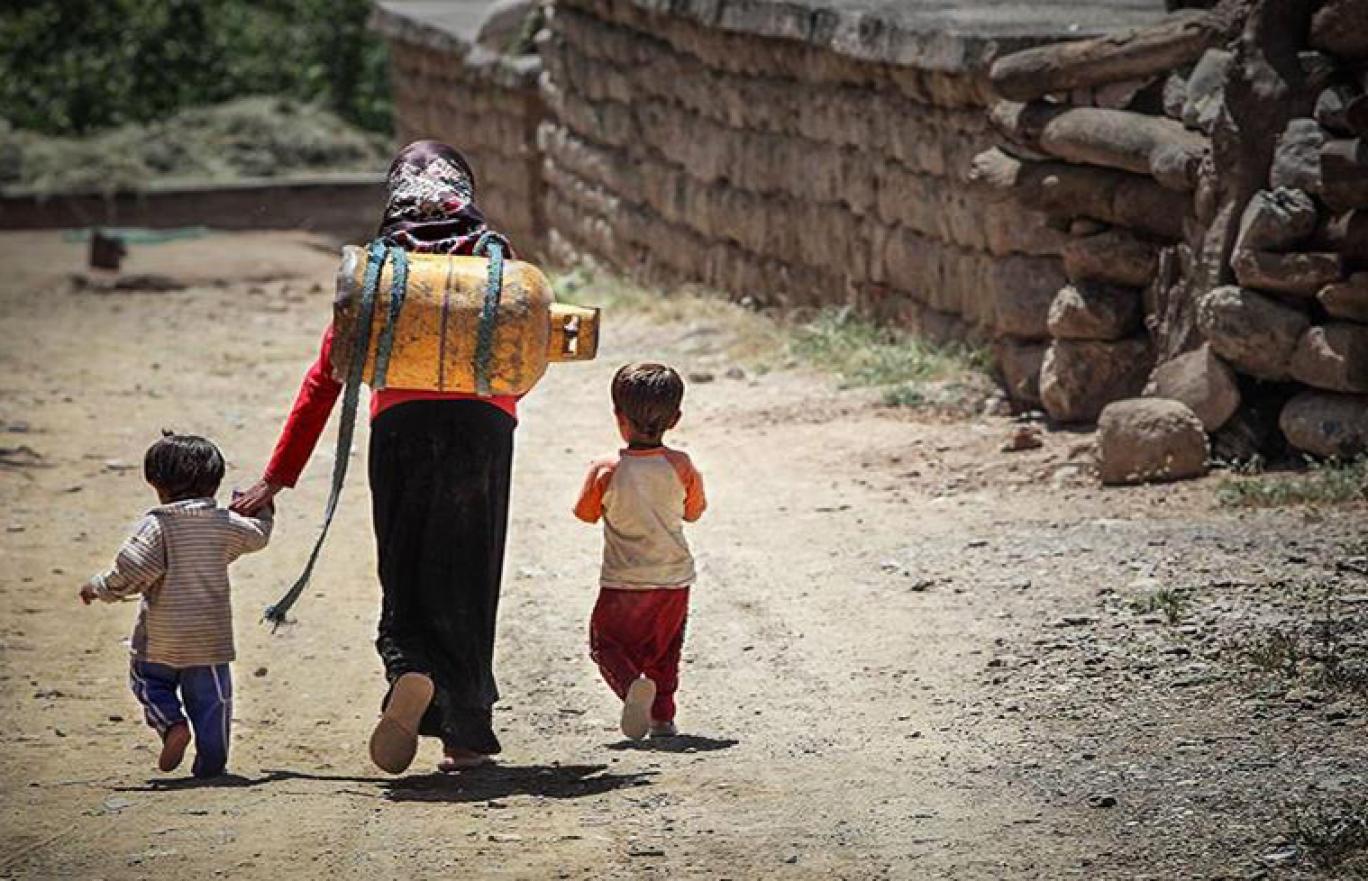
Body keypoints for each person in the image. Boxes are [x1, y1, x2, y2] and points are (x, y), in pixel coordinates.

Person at [231, 141, 521, 774]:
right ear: (462, 189)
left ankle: (410, 667)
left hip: (401, 430)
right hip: (483, 431)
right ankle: (467, 737)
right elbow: (523, 352)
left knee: (406, 564)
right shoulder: (493, 255)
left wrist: (277, 477)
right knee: (469, 575)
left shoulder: (382, 267)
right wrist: (496, 407)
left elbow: (325, 378)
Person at [80, 432, 273, 778]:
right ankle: (212, 762)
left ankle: (172, 724)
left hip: (161, 637)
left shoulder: (158, 526)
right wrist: (263, 509)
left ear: (156, 482)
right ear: (215, 482)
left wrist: (99, 587)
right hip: (209, 640)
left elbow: (132, 569)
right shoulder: (224, 523)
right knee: (214, 702)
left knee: (148, 682)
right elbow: (257, 535)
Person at [573, 363, 707, 740]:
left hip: (623, 581)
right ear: (675, 419)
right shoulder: (681, 465)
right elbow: (694, 512)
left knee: (607, 644)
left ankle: (632, 686)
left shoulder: (606, 469)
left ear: (618, 417)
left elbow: (585, 514)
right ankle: (662, 718)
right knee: (665, 651)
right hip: (674, 579)